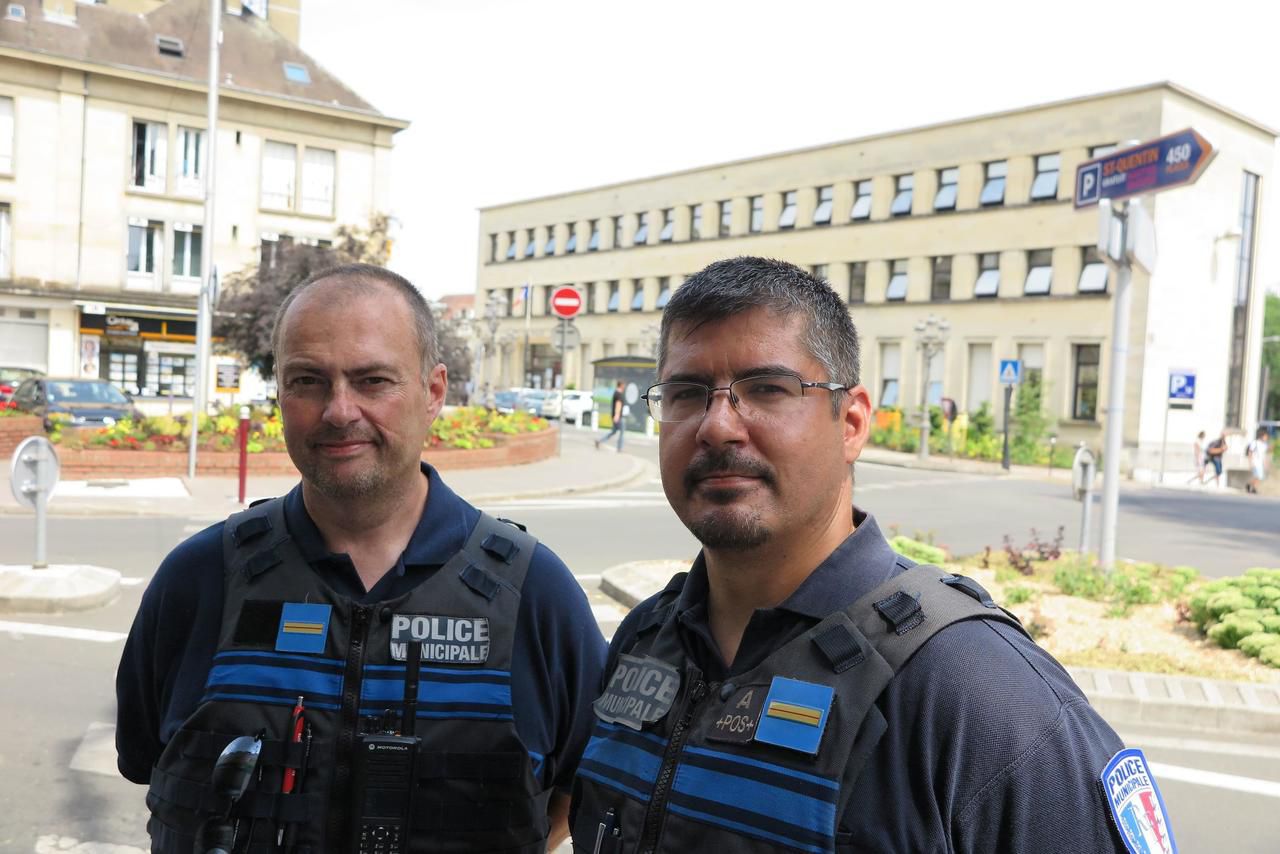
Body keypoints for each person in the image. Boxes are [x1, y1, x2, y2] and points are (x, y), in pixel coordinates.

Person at [570, 257, 1173, 853]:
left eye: (767, 389)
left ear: (852, 422)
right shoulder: (645, 640)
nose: (717, 425)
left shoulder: (976, 692)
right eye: (686, 392)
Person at [116, 264, 606, 852]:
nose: (339, 411)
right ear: (279, 393)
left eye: (373, 380)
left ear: (433, 392)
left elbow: (580, 789)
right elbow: (148, 761)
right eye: (308, 380)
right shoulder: (198, 579)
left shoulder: (534, 592)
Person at [595, 381, 626, 451]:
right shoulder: (619, 394)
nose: (624, 387)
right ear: (621, 385)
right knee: (622, 433)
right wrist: (617, 415)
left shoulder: (615, 393)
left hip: (615, 416)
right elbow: (618, 405)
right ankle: (619, 448)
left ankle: (600, 441)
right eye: (624, 385)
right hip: (618, 417)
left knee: (613, 432)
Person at [1247, 427, 1270, 494]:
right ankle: (1253, 488)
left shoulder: (1265, 445)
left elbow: (1264, 455)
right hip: (1255, 462)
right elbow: (1250, 452)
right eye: (1265, 436)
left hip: (1261, 463)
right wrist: (1250, 462)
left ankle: (1250, 485)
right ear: (1262, 436)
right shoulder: (1255, 443)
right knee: (1258, 476)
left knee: (1260, 477)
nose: (1266, 438)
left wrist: (1265, 464)